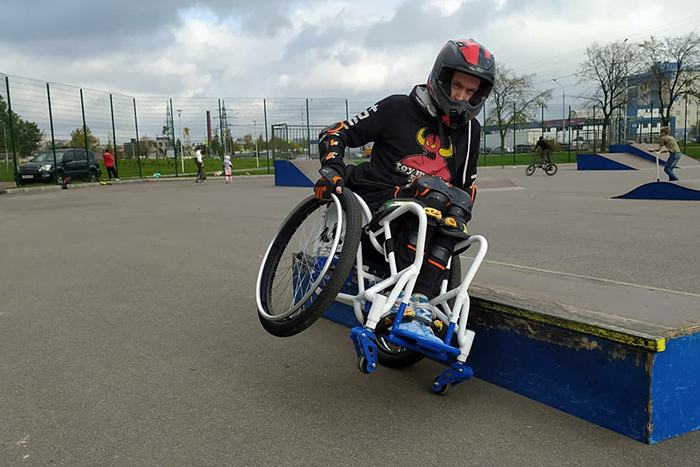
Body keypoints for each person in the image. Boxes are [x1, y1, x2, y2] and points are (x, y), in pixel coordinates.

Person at [314, 39, 495, 343]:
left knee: (458, 204)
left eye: (470, 92)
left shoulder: (470, 130)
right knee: (432, 195)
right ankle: (404, 298)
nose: (461, 97)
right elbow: (336, 133)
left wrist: (458, 211)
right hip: (376, 205)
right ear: (440, 77)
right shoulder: (398, 108)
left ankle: (420, 300)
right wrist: (332, 168)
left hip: (426, 215)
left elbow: (465, 186)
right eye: (456, 86)